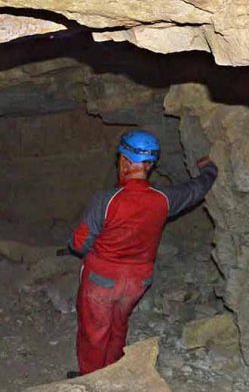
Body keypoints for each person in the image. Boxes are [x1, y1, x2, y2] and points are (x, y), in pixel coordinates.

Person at [66, 130, 218, 377]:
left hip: (102, 278)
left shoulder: (106, 199)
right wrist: (209, 169)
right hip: (138, 280)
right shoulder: (164, 199)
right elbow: (196, 189)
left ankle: (91, 382)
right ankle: (115, 374)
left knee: (94, 331)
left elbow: (78, 243)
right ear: (150, 164)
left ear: (125, 161)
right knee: (118, 325)